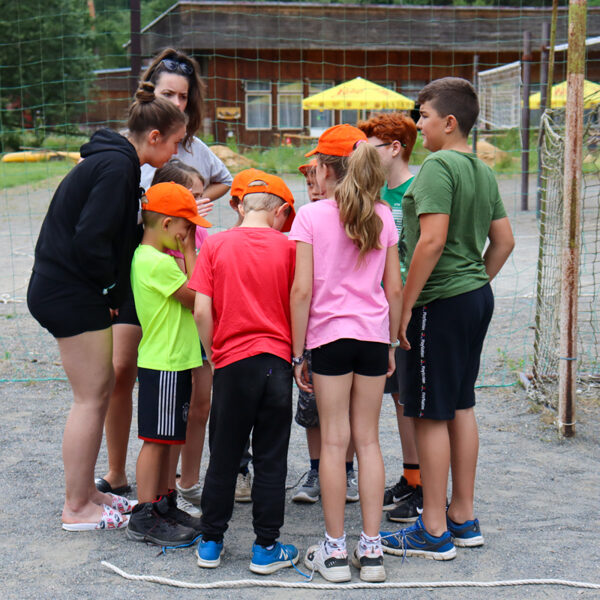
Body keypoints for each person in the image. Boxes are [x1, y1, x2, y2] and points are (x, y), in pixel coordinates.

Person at [27, 83, 187, 530]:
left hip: (70, 288)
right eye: (175, 141)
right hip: (69, 291)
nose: (177, 151)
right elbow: (91, 240)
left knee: (96, 393)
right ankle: (77, 507)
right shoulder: (117, 167)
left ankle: (88, 493)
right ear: (153, 136)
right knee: (91, 395)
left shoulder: (115, 162)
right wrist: (110, 291)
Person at [380, 78, 514, 560]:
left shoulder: (438, 165)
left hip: (438, 303)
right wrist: (473, 282)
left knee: (430, 412)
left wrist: (407, 305)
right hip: (474, 298)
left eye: (424, 116)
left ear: (449, 122)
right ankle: (462, 516)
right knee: (460, 404)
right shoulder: (480, 169)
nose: (418, 124)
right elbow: (505, 241)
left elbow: (431, 241)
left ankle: (433, 529)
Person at [98, 47, 232, 496]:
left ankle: (178, 484)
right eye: (168, 94)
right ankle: (118, 472)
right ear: (148, 93)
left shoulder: (191, 147)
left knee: (187, 390)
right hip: (139, 272)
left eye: (183, 97)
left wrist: (193, 209)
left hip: (177, 274)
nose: (177, 103)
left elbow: (224, 180)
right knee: (122, 370)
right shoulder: (128, 148)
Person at [290, 124, 402, 583]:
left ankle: (335, 552)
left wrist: (298, 352)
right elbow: (394, 287)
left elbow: (301, 290)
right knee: (368, 440)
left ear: (326, 170)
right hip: (373, 338)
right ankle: (371, 551)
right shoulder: (384, 215)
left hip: (329, 339)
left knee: (334, 442)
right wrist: (390, 341)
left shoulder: (310, 216)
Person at [189, 174, 299, 574]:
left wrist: (214, 354)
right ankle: (266, 547)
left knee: (224, 454)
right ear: (280, 211)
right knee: (271, 457)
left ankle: (210, 542)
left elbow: (202, 310)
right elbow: (299, 299)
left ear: (239, 206)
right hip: (277, 362)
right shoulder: (290, 248)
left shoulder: (216, 244)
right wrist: (297, 354)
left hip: (232, 362)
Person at [126, 182, 212, 545]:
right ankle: (145, 513)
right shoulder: (155, 262)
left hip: (174, 361)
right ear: (165, 224)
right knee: (156, 441)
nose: (187, 235)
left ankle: (164, 502)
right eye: (185, 227)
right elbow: (198, 295)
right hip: (163, 363)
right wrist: (191, 251)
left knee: (169, 437)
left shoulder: (158, 258)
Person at [358, 113, 423, 521]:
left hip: (407, 307)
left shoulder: (416, 191)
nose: (365, 155)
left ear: (395, 148)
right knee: (398, 398)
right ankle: (410, 476)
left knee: (412, 398)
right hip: (377, 309)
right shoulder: (375, 194)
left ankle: (424, 486)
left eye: (372, 147)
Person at [292, 159, 359, 505]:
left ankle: (346, 471)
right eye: (307, 184)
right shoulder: (306, 219)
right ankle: (317, 469)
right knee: (312, 407)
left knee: (346, 408)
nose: (313, 188)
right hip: (316, 328)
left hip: (341, 328)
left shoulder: (358, 215)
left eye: (314, 178)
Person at [148, 160, 212, 518]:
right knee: (175, 415)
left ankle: (189, 483)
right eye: (192, 195)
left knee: (200, 407)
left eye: (201, 195)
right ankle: (167, 488)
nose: (199, 203)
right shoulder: (158, 246)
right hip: (174, 341)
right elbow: (196, 289)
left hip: (199, 333)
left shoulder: (198, 234)